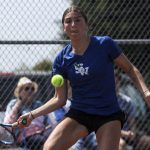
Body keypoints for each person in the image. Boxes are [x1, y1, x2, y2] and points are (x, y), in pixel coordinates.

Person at [17, 6, 150, 150]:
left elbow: (130, 69)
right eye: (68, 21)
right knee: (50, 148)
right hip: (79, 114)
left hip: (108, 114)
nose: (73, 24)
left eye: (77, 20)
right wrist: (31, 115)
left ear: (86, 24)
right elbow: (59, 99)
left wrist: (146, 92)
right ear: (64, 28)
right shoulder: (61, 59)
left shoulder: (104, 44)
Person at [3, 77, 52, 150]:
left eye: (32, 89)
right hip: (26, 136)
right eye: (27, 88)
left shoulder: (38, 104)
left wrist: (47, 129)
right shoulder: (13, 104)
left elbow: (49, 122)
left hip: (42, 132)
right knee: (43, 141)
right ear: (19, 92)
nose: (30, 91)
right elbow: (8, 123)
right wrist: (17, 106)